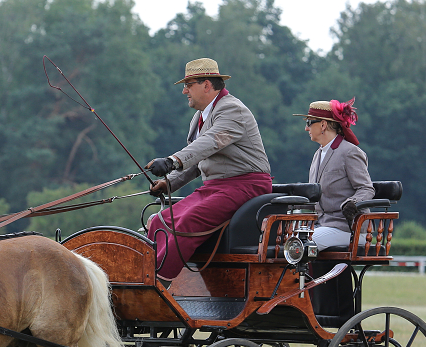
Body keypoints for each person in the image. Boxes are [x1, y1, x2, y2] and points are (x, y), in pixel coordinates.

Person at [145, 58, 272, 282]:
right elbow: (199, 159)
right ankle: (143, 272)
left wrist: (172, 160)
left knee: (189, 220)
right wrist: (169, 182)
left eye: (188, 84)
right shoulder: (199, 117)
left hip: (245, 186)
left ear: (206, 85)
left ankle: (158, 281)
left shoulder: (232, 109)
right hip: (215, 188)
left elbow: (211, 142)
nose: (184, 90)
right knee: (159, 220)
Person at [294, 99, 375, 251]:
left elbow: (367, 188)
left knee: (299, 244)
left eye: (309, 122)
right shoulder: (317, 155)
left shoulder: (350, 152)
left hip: (347, 228)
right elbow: (314, 198)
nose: (306, 128)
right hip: (321, 226)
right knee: (288, 241)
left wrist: (353, 202)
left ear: (323, 125)